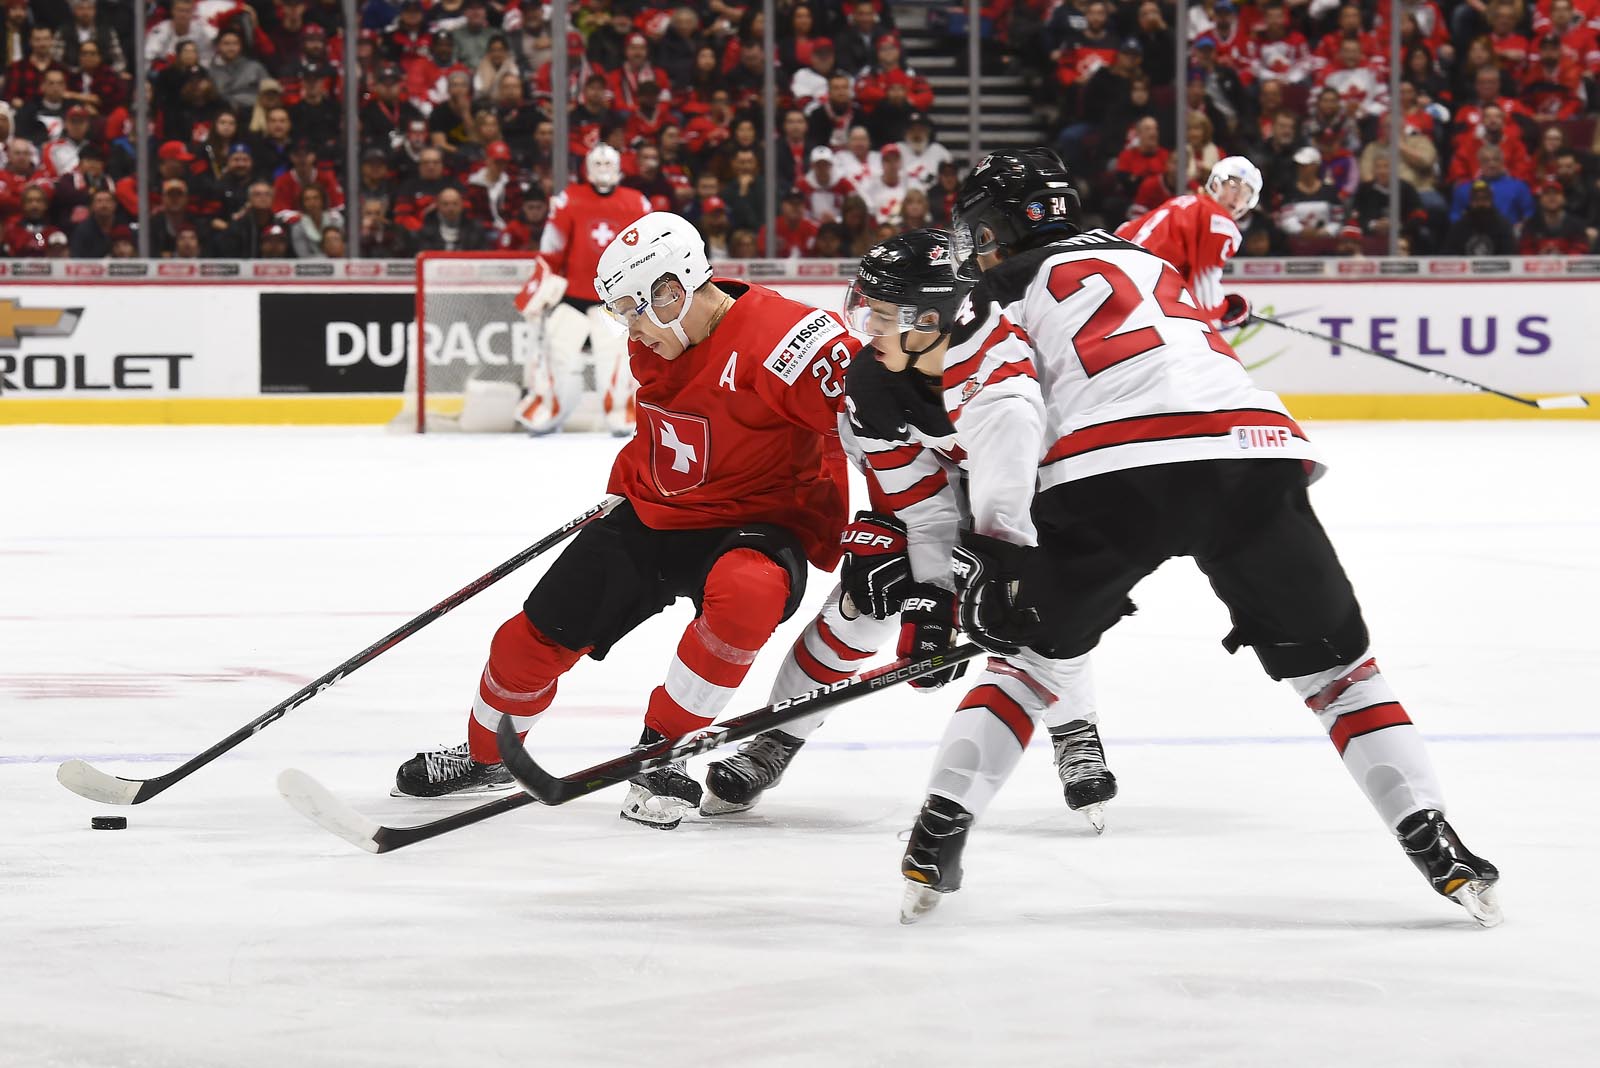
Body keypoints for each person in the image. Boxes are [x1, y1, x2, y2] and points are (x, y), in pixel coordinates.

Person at [892, 148, 1500, 927]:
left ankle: (934, 840)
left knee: (1028, 664)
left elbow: (1006, 413)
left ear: (990, 228)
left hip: (1113, 470)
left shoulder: (991, 294)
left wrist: (1000, 543)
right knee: (1342, 675)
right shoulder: (1148, 260)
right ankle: (1438, 844)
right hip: (1248, 455)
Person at [391, 211, 862, 832]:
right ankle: (486, 757)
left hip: (759, 521)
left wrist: (910, 524)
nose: (628, 330)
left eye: (633, 310)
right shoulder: (655, 339)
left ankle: (662, 750)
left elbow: (879, 427)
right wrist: (622, 490)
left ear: (673, 290)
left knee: (747, 594)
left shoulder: (791, 343)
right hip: (654, 513)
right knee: (523, 644)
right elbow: (668, 430)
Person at [700, 229, 1119, 833]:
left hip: (1050, 494)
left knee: (1036, 608)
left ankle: (1075, 728)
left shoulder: (1004, 387)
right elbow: (924, 510)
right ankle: (775, 737)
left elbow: (1008, 526)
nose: (864, 325)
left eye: (880, 311)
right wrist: (931, 602)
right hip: (960, 491)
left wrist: (963, 602)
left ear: (929, 320)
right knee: (863, 600)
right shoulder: (875, 381)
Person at [517, 144, 652, 436]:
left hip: (615, 302)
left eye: (608, 164)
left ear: (619, 167)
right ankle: (549, 408)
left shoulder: (637, 202)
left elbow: (646, 250)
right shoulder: (569, 199)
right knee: (556, 352)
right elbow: (551, 249)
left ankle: (621, 410)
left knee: (616, 358)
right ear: (587, 168)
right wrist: (539, 287)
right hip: (573, 296)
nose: (603, 170)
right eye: (598, 164)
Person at [1115, 156, 1261, 329]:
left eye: (1245, 194)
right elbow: (1205, 301)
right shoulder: (1219, 222)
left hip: (1110, 286)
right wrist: (1228, 309)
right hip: (1139, 304)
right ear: (1216, 184)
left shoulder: (1183, 203)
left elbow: (1122, 232)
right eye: (1234, 187)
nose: (1237, 199)